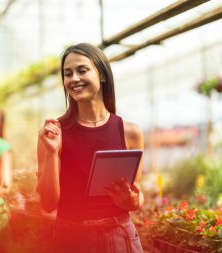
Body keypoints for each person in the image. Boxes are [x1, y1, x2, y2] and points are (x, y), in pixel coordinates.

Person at [37, 43, 144, 253]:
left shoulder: (129, 131)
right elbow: (48, 204)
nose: (74, 78)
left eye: (82, 70)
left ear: (102, 75)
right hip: (71, 240)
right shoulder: (54, 133)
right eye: (68, 74)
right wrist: (51, 152)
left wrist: (133, 201)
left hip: (120, 236)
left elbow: (137, 193)